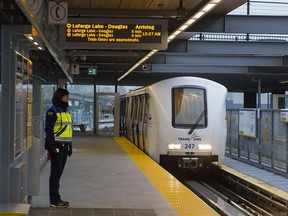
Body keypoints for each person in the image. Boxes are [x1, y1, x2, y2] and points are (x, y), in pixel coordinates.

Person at [45, 88, 73, 208]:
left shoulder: (66, 111)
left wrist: (70, 145)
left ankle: (56, 198)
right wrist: (51, 145)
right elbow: (49, 130)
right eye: (65, 96)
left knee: (59, 173)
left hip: (64, 147)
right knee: (55, 173)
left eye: (67, 96)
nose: (67, 98)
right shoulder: (53, 111)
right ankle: (54, 200)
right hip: (56, 147)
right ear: (60, 97)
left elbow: (67, 130)